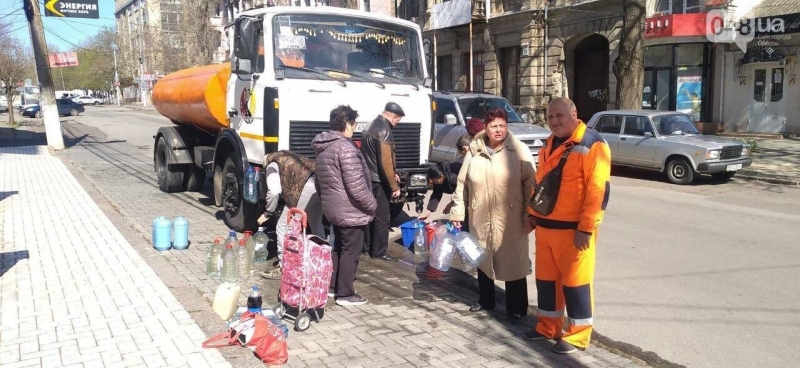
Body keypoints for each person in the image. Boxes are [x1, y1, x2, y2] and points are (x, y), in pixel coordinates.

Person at [524, 97, 611, 354]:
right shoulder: (550, 143)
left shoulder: (592, 143)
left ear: (575, 113)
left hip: (574, 231)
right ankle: (548, 326)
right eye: (550, 117)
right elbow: (542, 185)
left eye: (559, 115)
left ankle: (577, 335)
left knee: (576, 285)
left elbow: (599, 191)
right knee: (547, 282)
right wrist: (533, 214)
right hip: (546, 229)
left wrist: (586, 228)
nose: (554, 121)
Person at [450, 107, 537, 324]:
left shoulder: (518, 150)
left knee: (514, 262)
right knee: (483, 259)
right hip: (480, 215)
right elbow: (462, 184)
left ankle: (517, 308)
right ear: (486, 128)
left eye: (502, 125)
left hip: (512, 217)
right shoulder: (474, 151)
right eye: (493, 126)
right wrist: (458, 211)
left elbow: (531, 183)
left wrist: (529, 214)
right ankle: (486, 300)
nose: (498, 130)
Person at [312, 105, 377, 306]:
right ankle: (346, 293)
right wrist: (372, 204)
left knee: (338, 247)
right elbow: (356, 186)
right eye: (353, 124)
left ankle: (333, 286)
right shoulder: (345, 148)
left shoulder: (324, 147)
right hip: (350, 209)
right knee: (351, 251)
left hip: (334, 207)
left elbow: (319, 181)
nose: (354, 128)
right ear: (347, 124)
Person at [259, 150, 325, 279]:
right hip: (320, 183)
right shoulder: (287, 155)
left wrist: (268, 213)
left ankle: (285, 266)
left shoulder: (272, 165)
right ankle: (321, 260)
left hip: (303, 188)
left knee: (284, 227)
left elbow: (274, 191)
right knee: (316, 223)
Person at [360, 102, 405, 261]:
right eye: (397, 120)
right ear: (393, 116)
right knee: (382, 217)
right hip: (379, 181)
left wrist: (393, 174)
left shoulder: (369, 125)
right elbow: (385, 162)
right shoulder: (384, 131)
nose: (397, 124)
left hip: (367, 177)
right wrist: (394, 185)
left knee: (368, 214)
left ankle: (366, 247)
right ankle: (379, 251)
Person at [417, 135, 471, 223]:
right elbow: (436, 194)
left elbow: (462, 192)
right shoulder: (441, 176)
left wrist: (451, 204)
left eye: (435, 182)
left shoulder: (454, 176)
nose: (435, 184)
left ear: (441, 176)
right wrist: (428, 212)